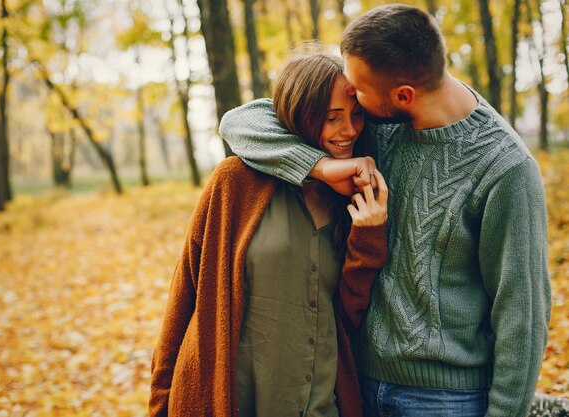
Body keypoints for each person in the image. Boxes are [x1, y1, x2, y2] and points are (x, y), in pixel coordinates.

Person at [219, 4, 551, 417]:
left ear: (403, 96)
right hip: (355, 384)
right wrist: (322, 166)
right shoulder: (375, 121)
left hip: (444, 401)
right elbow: (241, 122)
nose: (349, 96)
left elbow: (523, 317)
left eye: (356, 89)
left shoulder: (506, 170)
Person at [149, 52, 389, 417]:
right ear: (301, 118)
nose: (349, 131)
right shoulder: (235, 183)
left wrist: (368, 237)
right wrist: (159, 402)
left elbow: (345, 317)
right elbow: (185, 294)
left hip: (318, 402)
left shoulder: (352, 199)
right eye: (332, 118)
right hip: (229, 401)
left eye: (355, 115)